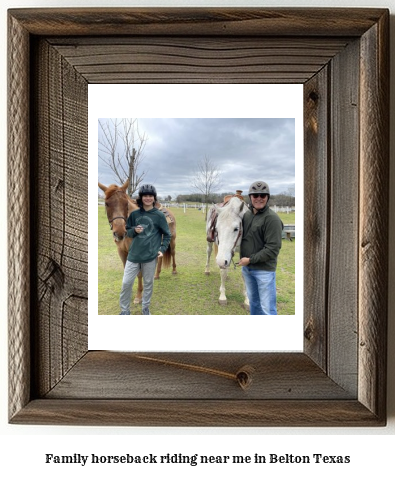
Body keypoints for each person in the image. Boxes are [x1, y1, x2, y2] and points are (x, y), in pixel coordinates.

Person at [119, 184, 171, 315]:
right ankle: (125, 311)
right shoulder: (134, 214)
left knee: (148, 284)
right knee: (126, 283)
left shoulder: (159, 215)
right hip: (133, 256)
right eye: (145, 196)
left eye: (150, 196)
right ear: (141, 198)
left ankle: (145, 309)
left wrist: (162, 249)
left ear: (154, 198)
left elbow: (167, 234)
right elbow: (128, 232)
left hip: (150, 257)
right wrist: (134, 231)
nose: (147, 198)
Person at [238, 181, 283, 315]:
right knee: (254, 304)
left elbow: (273, 249)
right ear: (250, 197)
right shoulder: (247, 215)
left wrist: (250, 260)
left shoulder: (272, 219)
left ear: (267, 197)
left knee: (267, 309)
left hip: (264, 271)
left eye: (262, 195)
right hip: (248, 269)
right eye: (255, 195)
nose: (259, 198)